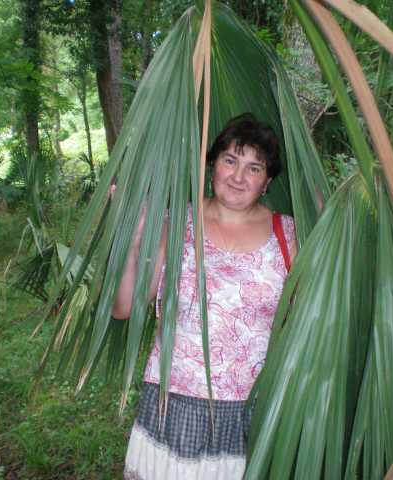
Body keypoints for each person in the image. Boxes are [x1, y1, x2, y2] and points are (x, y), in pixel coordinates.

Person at [114, 113, 297, 480]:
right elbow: (124, 308)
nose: (238, 177)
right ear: (212, 164)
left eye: (254, 168)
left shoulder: (289, 234)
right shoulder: (174, 222)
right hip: (175, 403)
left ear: (267, 182)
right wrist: (134, 241)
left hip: (255, 409)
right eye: (230, 160)